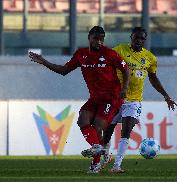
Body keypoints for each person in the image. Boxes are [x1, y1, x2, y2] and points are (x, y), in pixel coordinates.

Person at [28, 26, 130, 174]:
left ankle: (96, 163)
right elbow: (64, 71)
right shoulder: (81, 54)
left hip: (111, 98)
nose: (99, 41)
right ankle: (100, 151)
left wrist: (124, 89)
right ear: (89, 38)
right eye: (96, 38)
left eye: (102, 39)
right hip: (95, 98)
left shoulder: (110, 54)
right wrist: (44, 62)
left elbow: (125, 70)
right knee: (82, 120)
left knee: (97, 126)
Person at [100, 27, 177, 173]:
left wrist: (166, 95)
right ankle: (105, 156)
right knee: (108, 130)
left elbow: (153, 79)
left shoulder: (150, 58)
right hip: (115, 99)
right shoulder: (119, 50)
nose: (139, 41)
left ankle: (117, 165)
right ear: (131, 37)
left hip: (134, 101)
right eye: (137, 38)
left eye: (142, 38)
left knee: (126, 131)